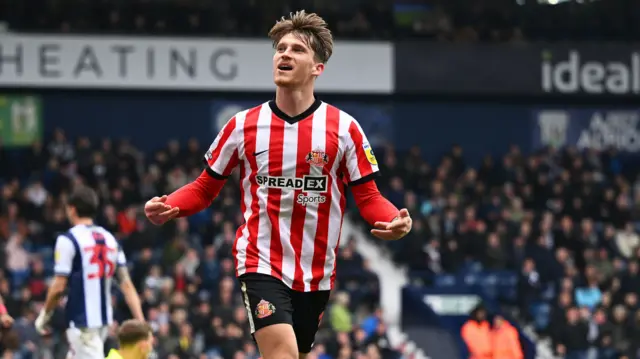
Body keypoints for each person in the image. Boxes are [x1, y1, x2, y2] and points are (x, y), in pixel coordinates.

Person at [143, 10, 412, 359]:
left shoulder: (344, 129)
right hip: (260, 261)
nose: (284, 54)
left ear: (318, 68)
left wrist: (393, 220)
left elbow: (369, 196)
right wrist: (171, 205)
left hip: (316, 271)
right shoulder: (243, 126)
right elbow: (204, 187)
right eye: (281, 48)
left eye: (297, 50)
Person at [35, 186, 145, 359]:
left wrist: (44, 315)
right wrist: (141, 322)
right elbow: (127, 285)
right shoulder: (111, 240)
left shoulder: (68, 240)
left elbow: (58, 287)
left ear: (72, 209)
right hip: (103, 321)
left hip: (81, 322)